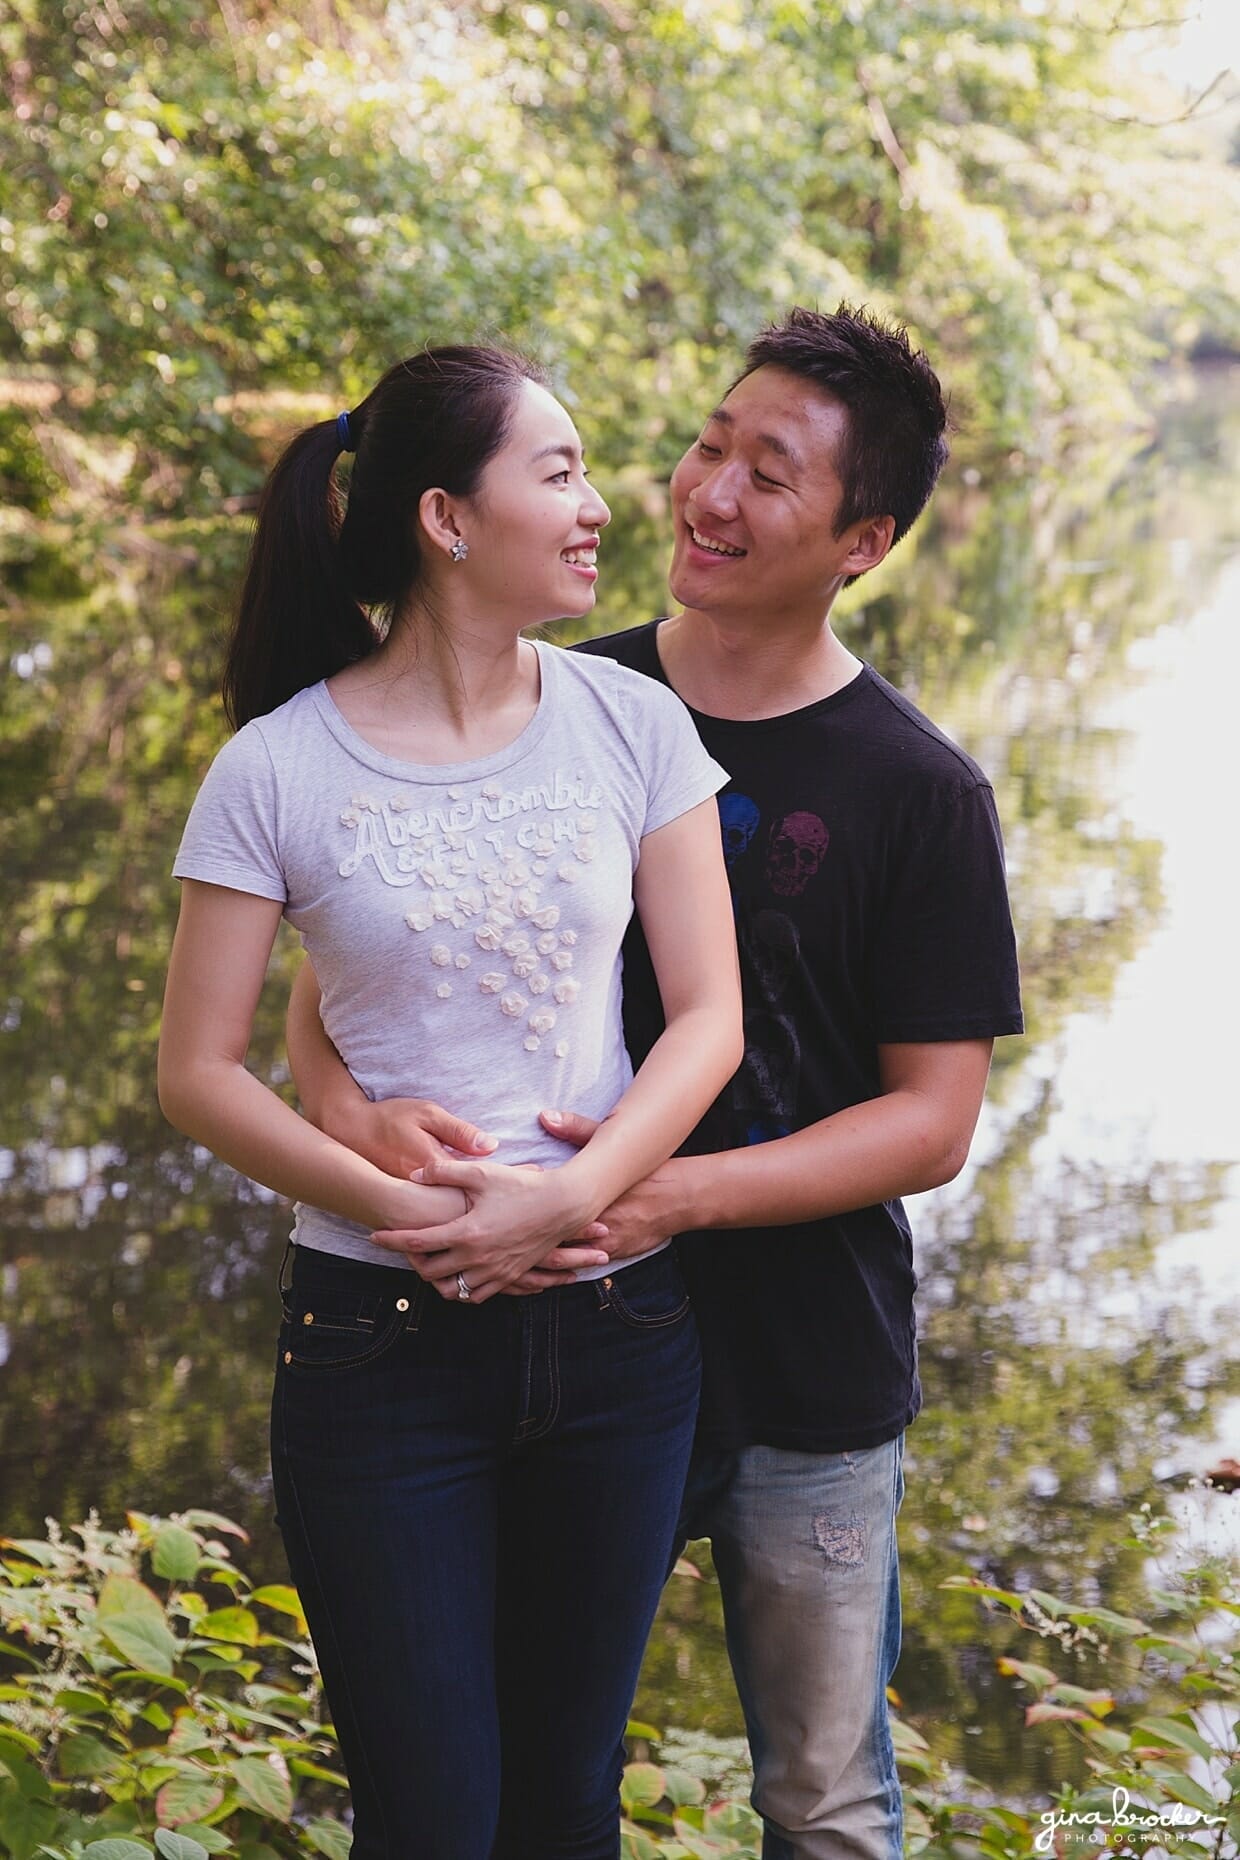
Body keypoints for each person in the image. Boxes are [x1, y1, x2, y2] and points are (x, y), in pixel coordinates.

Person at [288, 307, 1024, 1859]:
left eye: (771, 473)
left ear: (863, 541)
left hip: (802, 1375)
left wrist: (648, 1189)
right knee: (505, 1787)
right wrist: (365, 1138)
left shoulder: (921, 789)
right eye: (709, 443)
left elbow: (933, 1122)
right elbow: (347, 995)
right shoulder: (560, 697)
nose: (709, 491)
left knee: (824, 1801)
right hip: (543, 1335)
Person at [157, 344, 743, 1860]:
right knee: (429, 1823)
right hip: (376, 1351)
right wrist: (407, 1207)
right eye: (556, 473)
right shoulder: (275, 768)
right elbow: (197, 1071)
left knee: (565, 1813)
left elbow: (709, 1022)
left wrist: (571, 1195)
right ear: (445, 517)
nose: (600, 505)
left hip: (619, 1337)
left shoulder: (633, 723)